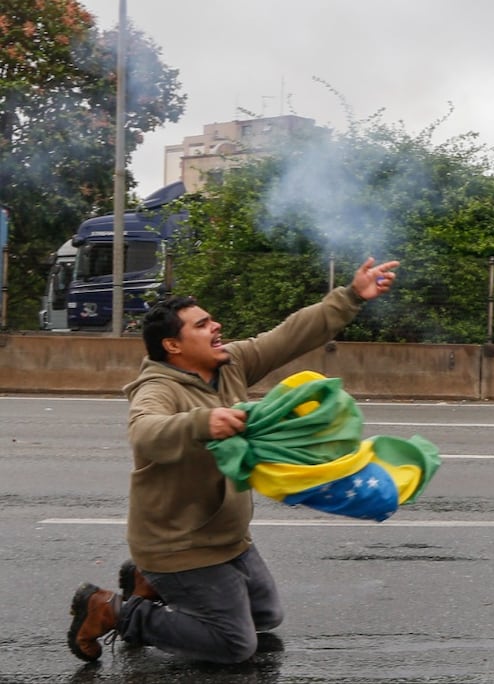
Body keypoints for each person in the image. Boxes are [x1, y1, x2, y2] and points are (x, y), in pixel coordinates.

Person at [67, 257, 400, 664]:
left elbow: (289, 336)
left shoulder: (230, 364)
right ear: (172, 345)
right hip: (178, 544)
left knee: (266, 616)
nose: (216, 327)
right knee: (235, 645)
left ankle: (146, 583)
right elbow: (145, 431)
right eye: (202, 325)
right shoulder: (156, 388)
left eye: (212, 320)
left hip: (226, 537)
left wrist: (350, 296)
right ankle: (113, 610)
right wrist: (203, 422)